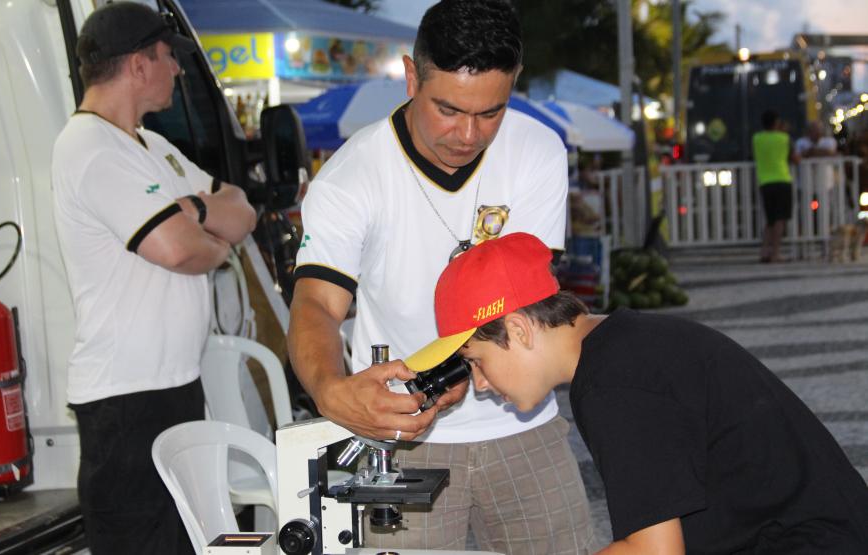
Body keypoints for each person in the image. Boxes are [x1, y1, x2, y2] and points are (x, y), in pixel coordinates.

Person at [288, 1, 596, 552]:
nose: (469, 134)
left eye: (491, 112)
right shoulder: (349, 177)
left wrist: (457, 365)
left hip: (522, 425)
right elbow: (316, 305)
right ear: (411, 76)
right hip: (402, 437)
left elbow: (521, 301)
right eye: (449, 109)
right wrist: (331, 391)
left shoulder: (536, 150)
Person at [410, 231, 868, 554]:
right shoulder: (623, 344)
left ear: (519, 329)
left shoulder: (613, 385)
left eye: (477, 361)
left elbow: (653, 551)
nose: (481, 385)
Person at [51, 3, 257, 553]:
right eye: (169, 57)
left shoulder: (152, 147)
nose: (178, 70)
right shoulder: (91, 148)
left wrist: (191, 207)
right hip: (126, 401)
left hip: (171, 387)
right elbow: (177, 249)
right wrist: (212, 238)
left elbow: (242, 208)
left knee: (188, 539)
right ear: (139, 65)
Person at [752, 110, 799, 263]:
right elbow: (795, 159)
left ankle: (764, 252)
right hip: (782, 180)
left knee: (770, 220)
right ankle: (776, 253)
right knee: (780, 219)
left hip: (765, 182)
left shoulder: (757, 138)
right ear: (776, 123)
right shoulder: (784, 138)